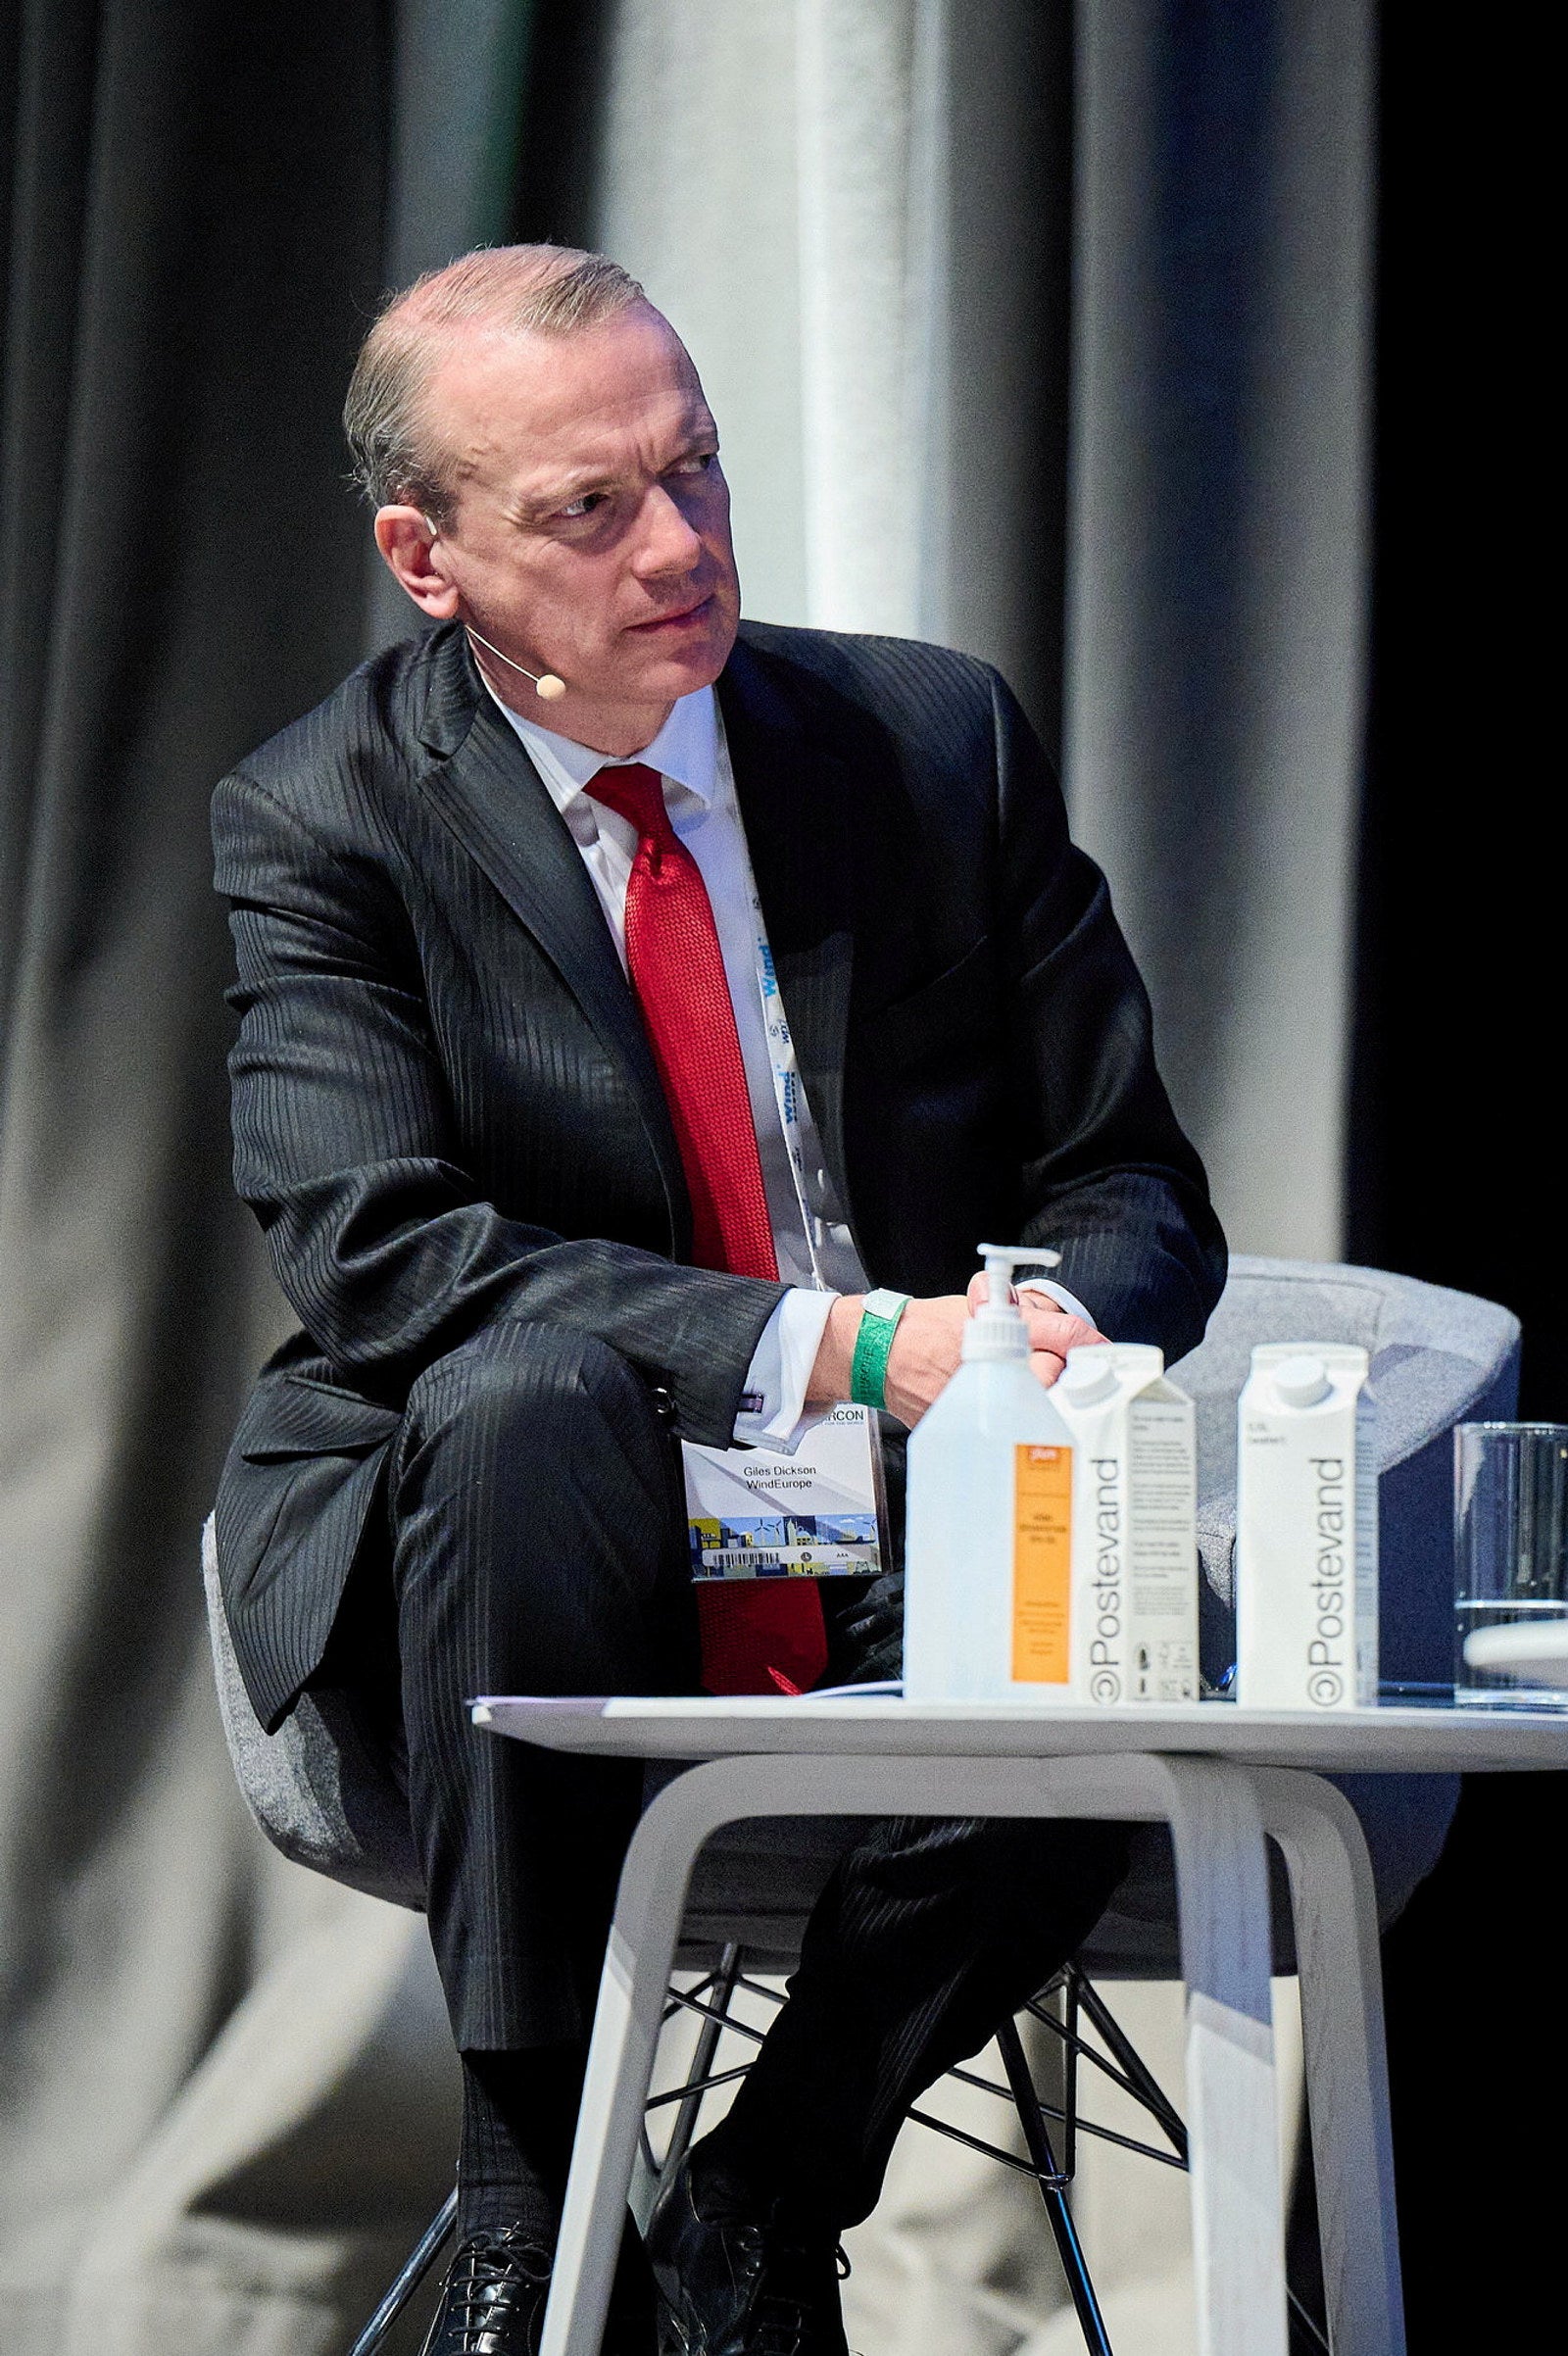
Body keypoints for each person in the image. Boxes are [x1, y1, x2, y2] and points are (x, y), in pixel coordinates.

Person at [212, 245, 1226, 2356]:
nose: (678, 546)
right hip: (524, 1541)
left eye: (695, 470)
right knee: (524, 1398)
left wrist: (1032, 1340)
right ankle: (528, 2223)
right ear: (427, 559)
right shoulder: (324, 818)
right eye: (590, 507)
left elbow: (1127, 1179)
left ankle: (758, 2208)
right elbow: (377, 1248)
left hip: (902, 1505)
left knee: (1111, 1586)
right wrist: (849, 1344)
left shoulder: (927, 739)